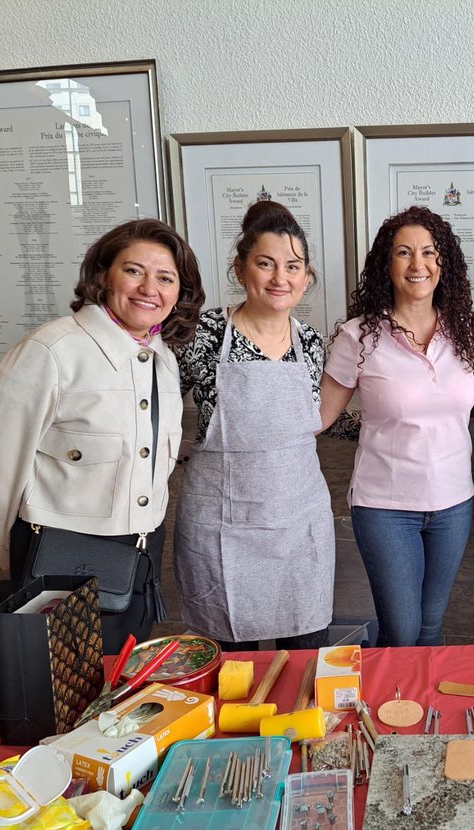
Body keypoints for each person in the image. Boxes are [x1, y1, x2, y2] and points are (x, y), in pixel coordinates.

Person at [0, 219, 204, 651]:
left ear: (178, 293)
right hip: (61, 558)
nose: (149, 287)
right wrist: (17, 559)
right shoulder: (51, 350)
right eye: (134, 270)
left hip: (140, 556)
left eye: (166, 278)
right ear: (103, 275)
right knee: (62, 700)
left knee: (120, 688)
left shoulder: (163, 360)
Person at [172, 201, 335, 651]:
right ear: (240, 268)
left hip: (299, 526)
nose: (280, 278)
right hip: (222, 528)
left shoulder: (311, 342)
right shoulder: (200, 333)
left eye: (292, 267)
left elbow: (309, 424)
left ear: (306, 277)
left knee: (303, 662)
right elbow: (155, 410)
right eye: (265, 264)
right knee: (232, 672)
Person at [320, 206, 474, 647]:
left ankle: (423, 712)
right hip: (385, 507)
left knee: (430, 628)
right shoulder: (359, 336)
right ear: (385, 265)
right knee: (404, 629)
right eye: (404, 253)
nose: (418, 264)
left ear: (443, 263)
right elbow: (318, 417)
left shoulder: (463, 330)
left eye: (429, 253)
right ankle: (383, 705)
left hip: (454, 504)